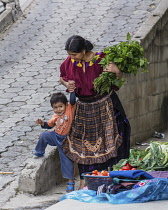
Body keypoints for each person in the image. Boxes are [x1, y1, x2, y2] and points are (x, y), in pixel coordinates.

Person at [60, 35, 131, 189]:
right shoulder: (70, 62)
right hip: (84, 108)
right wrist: (67, 84)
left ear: (84, 50)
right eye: (70, 54)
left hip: (105, 105)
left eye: (74, 54)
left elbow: (117, 80)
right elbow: (62, 76)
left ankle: (113, 178)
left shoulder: (102, 59)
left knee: (112, 138)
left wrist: (117, 71)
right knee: (82, 144)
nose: (71, 57)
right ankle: (84, 181)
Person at [32, 92, 76, 192]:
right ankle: (39, 151)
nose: (58, 109)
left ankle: (70, 182)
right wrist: (42, 123)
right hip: (56, 136)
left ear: (66, 104)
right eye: (55, 108)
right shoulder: (55, 116)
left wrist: (72, 90)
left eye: (60, 106)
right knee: (44, 136)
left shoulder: (70, 108)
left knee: (66, 160)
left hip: (66, 140)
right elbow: (49, 125)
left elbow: (73, 100)